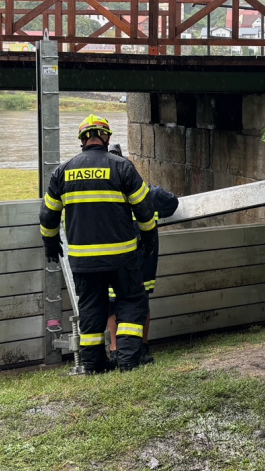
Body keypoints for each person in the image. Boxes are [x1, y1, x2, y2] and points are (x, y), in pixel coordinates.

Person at [39, 114, 157, 374]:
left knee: (91, 308)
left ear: (82, 139)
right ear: (107, 137)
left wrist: (50, 241)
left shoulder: (62, 171)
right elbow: (144, 208)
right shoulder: (121, 167)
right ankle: (128, 360)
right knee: (131, 302)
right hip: (122, 257)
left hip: (83, 260)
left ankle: (93, 365)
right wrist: (148, 235)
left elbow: (48, 215)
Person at [105, 143, 179, 365]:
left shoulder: (104, 199)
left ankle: (115, 349)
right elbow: (172, 202)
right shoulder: (148, 193)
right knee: (140, 305)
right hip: (143, 263)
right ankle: (142, 348)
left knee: (112, 304)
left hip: (114, 260)